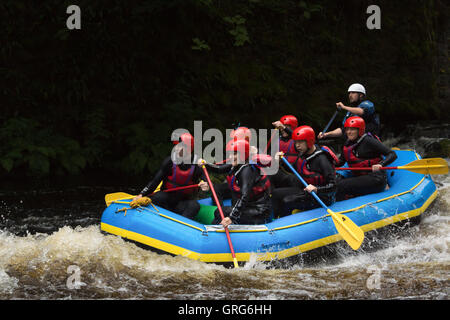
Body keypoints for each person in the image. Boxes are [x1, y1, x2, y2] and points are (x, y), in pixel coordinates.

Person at [130, 132, 209, 219]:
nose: (176, 148)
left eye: (180, 146)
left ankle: (181, 226)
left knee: (194, 205)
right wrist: (142, 194)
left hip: (182, 203)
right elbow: (155, 181)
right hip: (166, 200)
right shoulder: (170, 161)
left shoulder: (197, 164)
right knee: (158, 196)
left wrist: (206, 185)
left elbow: (207, 183)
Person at [199, 139, 272, 228]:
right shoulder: (237, 163)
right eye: (230, 153)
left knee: (222, 212)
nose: (231, 156)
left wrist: (231, 217)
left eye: (234, 153)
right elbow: (219, 169)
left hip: (259, 211)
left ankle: (213, 234)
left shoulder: (247, 170)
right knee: (220, 212)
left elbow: (244, 196)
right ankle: (213, 232)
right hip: (249, 207)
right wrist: (205, 164)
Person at [271, 125, 337, 218]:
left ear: (309, 141)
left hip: (321, 196)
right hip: (305, 190)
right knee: (276, 193)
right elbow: (292, 168)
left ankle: (283, 225)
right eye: (296, 142)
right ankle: (272, 221)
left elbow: (333, 185)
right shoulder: (303, 154)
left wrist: (317, 189)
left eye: (300, 142)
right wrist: (281, 161)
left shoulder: (322, 159)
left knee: (287, 201)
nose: (297, 145)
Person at [335, 116, 397, 201]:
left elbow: (392, 154)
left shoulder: (369, 141)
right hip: (360, 177)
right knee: (335, 182)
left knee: (341, 185)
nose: (349, 132)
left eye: (352, 129)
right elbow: (341, 162)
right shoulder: (348, 144)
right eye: (347, 129)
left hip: (375, 178)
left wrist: (381, 164)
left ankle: (341, 205)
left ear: (359, 130)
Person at [270, 115, 300, 188]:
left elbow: (296, 135)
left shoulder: (298, 141)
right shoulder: (277, 141)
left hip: (293, 174)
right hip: (280, 172)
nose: (282, 129)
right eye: (281, 127)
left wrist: (283, 127)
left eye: (287, 126)